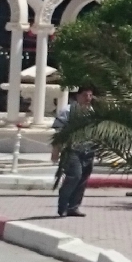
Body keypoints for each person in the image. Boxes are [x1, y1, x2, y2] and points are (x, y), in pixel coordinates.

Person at [52, 86, 97, 219]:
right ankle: (63, 206)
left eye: (90, 95)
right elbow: (59, 132)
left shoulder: (92, 112)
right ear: (77, 96)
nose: (88, 98)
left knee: (83, 179)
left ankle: (74, 207)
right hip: (72, 149)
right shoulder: (67, 111)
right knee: (74, 176)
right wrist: (56, 150)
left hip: (88, 150)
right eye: (85, 95)